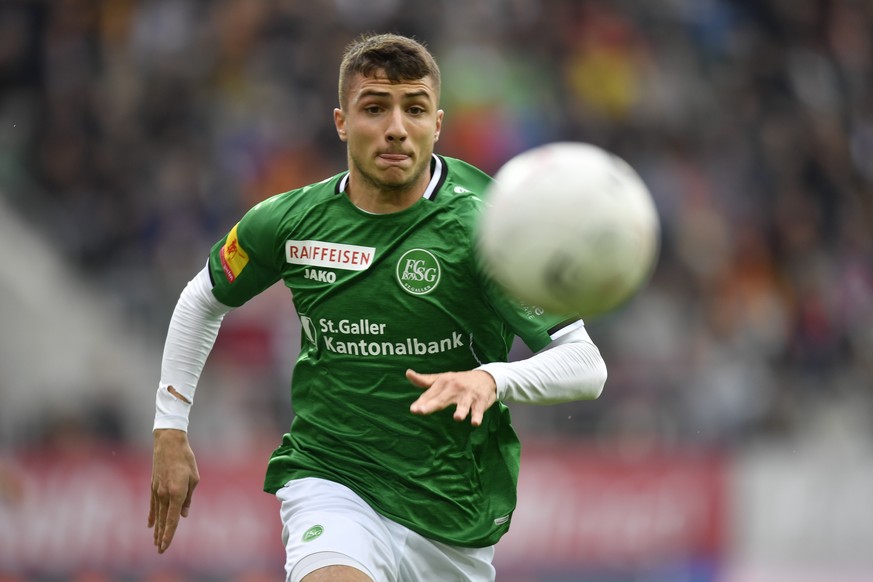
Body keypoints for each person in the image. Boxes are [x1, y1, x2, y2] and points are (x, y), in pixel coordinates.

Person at [149, 32, 607, 582]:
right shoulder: (289, 222)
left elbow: (585, 364)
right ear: (341, 122)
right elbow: (201, 299)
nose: (396, 128)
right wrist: (170, 427)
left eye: (414, 109)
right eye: (374, 108)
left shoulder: (489, 228)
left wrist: (490, 380)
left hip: (452, 509)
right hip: (332, 478)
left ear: (437, 125)